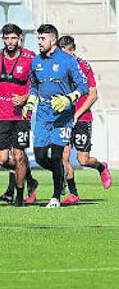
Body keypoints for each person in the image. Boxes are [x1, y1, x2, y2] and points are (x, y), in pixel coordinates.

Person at [22, 24, 89, 208]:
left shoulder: (68, 60)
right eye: (38, 39)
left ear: (53, 39)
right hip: (43, 115)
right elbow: (34, 86)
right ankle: (61, 177)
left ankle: (55, 196)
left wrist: (69, 98)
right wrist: (30, 102)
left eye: (42, 39)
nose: (39, 42)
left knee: (58, 155)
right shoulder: (36, 62)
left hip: (63, 116)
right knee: (40, 157)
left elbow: (83, 87)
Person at [0, 24, 38, 206]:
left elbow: (37, 84)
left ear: (20, 38)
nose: (10, 42)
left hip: (22, 116)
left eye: (13, 38)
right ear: (3, 39)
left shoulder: (30, 58)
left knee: (20, 156)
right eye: (7, 38)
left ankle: (20, 197)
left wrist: (24, 97)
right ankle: (29, 178)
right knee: (3, 159)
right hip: (2, 115)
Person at [57, 35, 112, 204]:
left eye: (65, 53)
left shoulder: (83, 66)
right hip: (63, 119)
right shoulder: (58, 66)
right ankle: (74, 194)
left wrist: (77, 114)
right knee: (63, 157)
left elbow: (93, 95)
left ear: (72, 51)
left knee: (83, 160)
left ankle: (101, 167)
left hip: (82, 119)